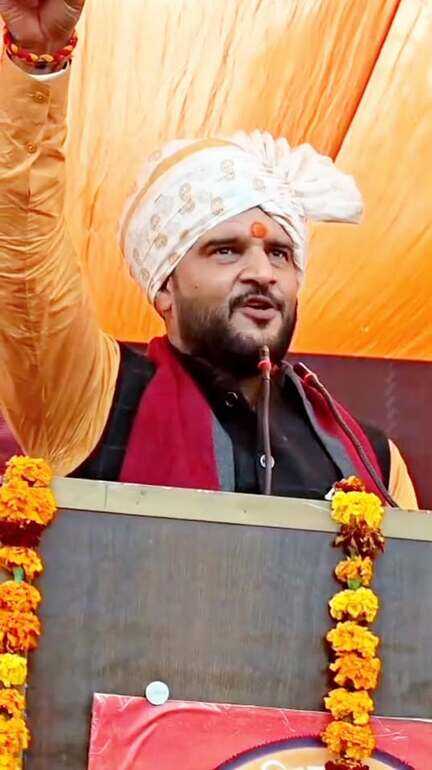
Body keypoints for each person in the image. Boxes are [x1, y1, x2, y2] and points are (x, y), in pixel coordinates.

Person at [0, 0, 417, 508]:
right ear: (164, 288)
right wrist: (37, 61)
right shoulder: (91, 399)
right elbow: (23, 246)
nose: (262, 273)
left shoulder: (374, 458)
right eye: (225, 251)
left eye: (280, 253)